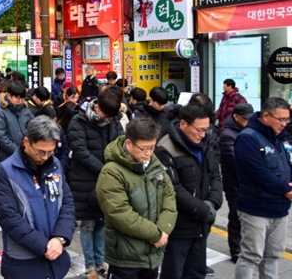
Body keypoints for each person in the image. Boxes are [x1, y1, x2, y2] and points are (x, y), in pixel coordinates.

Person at [0, 116, 75, 278]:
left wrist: (60, 238)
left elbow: (67, 203)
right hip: (24, 261)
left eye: (50, 152)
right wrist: (45, 246)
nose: (45, 157)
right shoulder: (6, 171)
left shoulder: (55, 164)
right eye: (41, 152)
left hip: (56, 257)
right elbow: (9, 218)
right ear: (26, 142)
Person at [96, 118, 177, 279]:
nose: (148, 153)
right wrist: (156, 234)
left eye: (152, 147)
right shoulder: (112, 172)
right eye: (144, 148)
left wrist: (163, 229)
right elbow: (120, 213)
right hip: (125, 257)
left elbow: (169, 198)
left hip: (152, 254)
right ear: (128, 144)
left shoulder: (154, 164)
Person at [155, 103, 223, 279]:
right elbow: (173, 188)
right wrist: (201, 209)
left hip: (202, 224)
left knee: (196, 272)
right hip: (179, 225)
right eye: (199, 130)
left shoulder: (208, 142)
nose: (202, 134)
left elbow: (215, 174)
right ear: (183, 124)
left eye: (206, 130)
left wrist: (213, 202)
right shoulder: (166, 147)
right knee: (174, 272)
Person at [68, 90, 124, 279]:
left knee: (102, 222)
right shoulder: (79, 120)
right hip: (85, 179)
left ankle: (101, 262)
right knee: (88, 224)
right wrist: (104, 169)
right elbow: (80, 151)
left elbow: (121, 144)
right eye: (104, 115)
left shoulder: (113, 122)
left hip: (107, 179)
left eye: (110, 117)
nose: (106, 119)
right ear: (97, 106)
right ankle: (89, 265)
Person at [234, 97, 292, 278]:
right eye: (281, 119)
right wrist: (285, 189)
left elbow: (287, 165)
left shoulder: (280, 138)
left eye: (287, 119)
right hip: (256, 209)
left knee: (273, 255)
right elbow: (258, 172)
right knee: (251, 256)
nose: (284, 124)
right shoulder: (248, 138)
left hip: (280, 209)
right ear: (266, 116)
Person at [218, 103, 253, 263]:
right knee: (236, 219)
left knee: (249, 219)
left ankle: (248, 248)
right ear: (236, 117)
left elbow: (263, 149)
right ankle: (236, 251)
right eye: (246, 119)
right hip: (235, 185)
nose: (249, 122)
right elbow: (235, 161)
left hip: (249, 185)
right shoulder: (228, 135)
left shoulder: (250, 131)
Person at [0, 82, 34, 164]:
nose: (20, 101)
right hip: (7, 156)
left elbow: (33, 128)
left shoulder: (26, 110)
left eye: (22, 98)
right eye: (17, 98)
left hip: (26, 154)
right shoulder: (0, 112)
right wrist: (18, 150)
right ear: (9, 96)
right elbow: (0, 137)